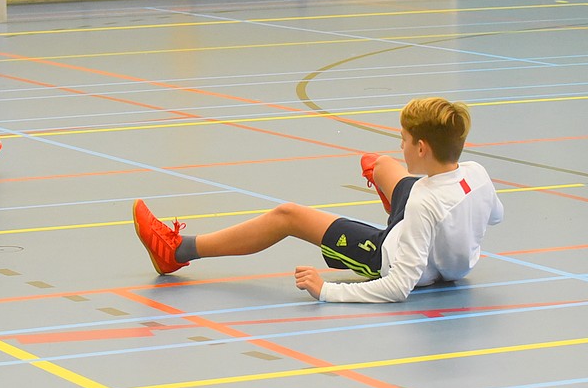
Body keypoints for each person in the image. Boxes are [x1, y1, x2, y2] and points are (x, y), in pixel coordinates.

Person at [132, 97, 503, 302]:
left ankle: (177, 250)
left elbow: (398, 287)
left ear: (421, 148)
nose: (401, 145)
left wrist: (327, 290)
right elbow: (494, 216)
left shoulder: (422, 201)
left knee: (287, 215)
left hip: (387, 255)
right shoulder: (476, 173)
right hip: (432, 231)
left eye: (404, 140)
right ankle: (394, 205)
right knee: (381, 165)